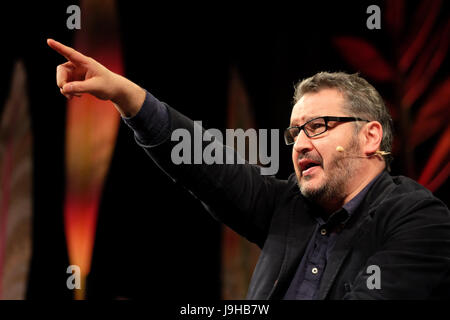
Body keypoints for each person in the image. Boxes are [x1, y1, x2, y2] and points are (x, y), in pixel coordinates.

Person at [47, 39, 450, 299]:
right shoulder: (289, 205)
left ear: (371, 137)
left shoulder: (418, 219)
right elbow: (208, 164)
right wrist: (124, 93)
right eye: (295, 133)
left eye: (318, 127)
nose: (302, 144)